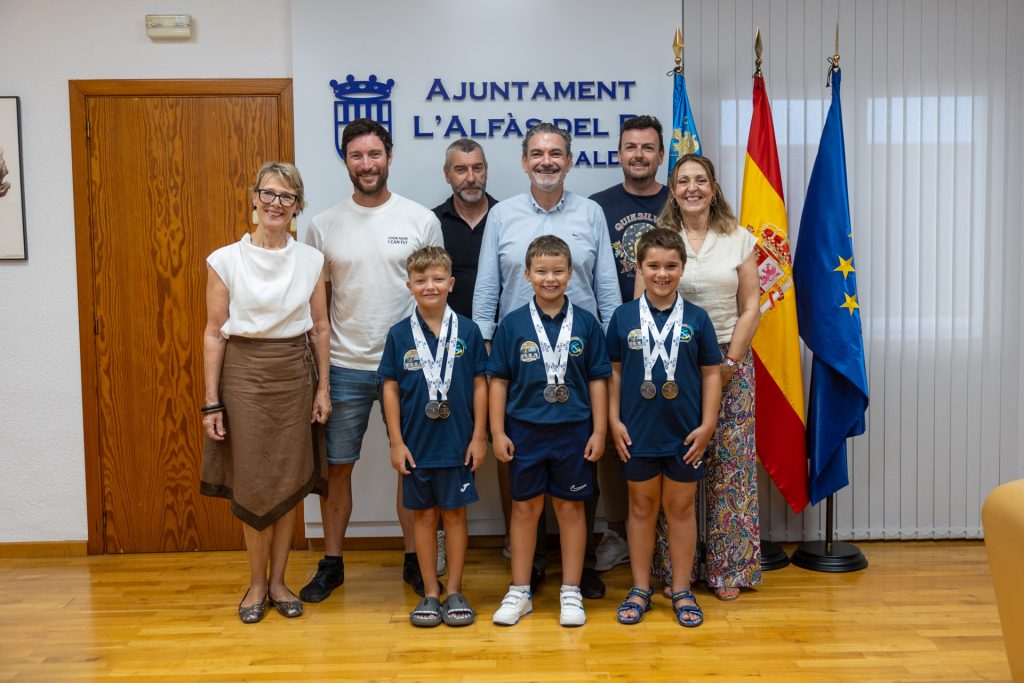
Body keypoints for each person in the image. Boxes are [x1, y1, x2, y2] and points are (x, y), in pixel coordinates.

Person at [473, 122, 619, 599]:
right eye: (537, 153)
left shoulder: (591, 212)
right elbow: (488, 287)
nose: (546, 161)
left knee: (582, 461)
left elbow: (606, 288)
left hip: (579, 358)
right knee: (522, 466)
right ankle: (529, 565)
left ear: (569, 160)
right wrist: (485, 345)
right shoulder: (503, 215)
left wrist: (616, 346)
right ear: (523, 162)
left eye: (556, 153)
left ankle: (583, 568)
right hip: (521, 359)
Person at [303, 118, 444, 602]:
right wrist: (321, 380)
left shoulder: (420, 220)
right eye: (357, 156)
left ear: (389, 156)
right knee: (336, 467)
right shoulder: (322, 226)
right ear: (345, 160)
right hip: (344, 366)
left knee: (412, 466)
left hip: (409, 367)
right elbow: (316, 308)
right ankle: (333, 561)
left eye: (375, 154)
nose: (367, 164)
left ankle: (414, 558)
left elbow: (433, 294)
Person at [200, 161, 331, 624]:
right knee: (254, 481)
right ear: (254, 197)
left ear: (298, 206)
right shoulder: (224, 259)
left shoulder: (311, 260)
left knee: (288, 482)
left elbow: (319, 328)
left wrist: (324, 390)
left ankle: (279, 582)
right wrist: (211, 401)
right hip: (244, 378)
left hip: (295, 377)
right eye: (269, 194)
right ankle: (256, 584)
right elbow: (215, 333)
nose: (277, 204)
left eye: (287, 196)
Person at [487, 235, 610, 627]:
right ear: (526, 275)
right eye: (541, 271)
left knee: (571, 509)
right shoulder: (513, 324)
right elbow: (498, 381)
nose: (550, 278)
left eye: (558, 271)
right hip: (524, 431)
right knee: (525, 509)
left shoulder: (587, 324)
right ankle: (520, 591)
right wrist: (497, 431)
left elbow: (598, 381)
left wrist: (600, 430)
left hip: (574, 432)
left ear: (571, 273)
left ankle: (571, 591)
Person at [654, 153, 761, 601]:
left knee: (729, 465)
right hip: (671, 363)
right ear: (673, 189)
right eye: (683, 181)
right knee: (675, 461)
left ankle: (729, 568)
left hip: (727, 358)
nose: (692, 188)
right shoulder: (660, 238)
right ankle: (676, 567)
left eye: (701, 180)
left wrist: (730, 362)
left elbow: (752, 305)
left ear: (714, 187)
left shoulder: (739, 239)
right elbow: (647, 302)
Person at [607, 228, 722, 627]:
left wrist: (707, 425)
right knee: (640, 508)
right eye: (653, 265)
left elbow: (711, 374)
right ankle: (640, 587)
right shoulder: (622, 318)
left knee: (680, 507)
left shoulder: (697, 318)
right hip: (637, 433)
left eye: (670, 266)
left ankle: (682, 587)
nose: (661, 273)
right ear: (639, 268)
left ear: (682, 268)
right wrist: (613, 420)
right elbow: (615, 376)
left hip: (685, 435)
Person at [379, 246, 488, 627]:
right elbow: (389, 387)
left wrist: (479, 436)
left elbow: (479, 385)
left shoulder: (469, 332)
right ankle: (430, 591)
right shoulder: (398, 334)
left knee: (456, 516)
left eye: (438, 279)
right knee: (424, 518)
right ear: (409, 285)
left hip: (458, 443)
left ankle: (455, 589)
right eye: (421, 280)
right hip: (417, 444)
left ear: (451, 284)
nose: (430, 286)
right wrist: (396, 441)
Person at [588, 115, 671, 573]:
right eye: (630, 147)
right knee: (616, 432)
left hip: (670, 337)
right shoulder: (597, 206)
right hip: (618, 337)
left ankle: (664, 540)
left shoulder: (677, 200)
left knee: (665, 434)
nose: (638, 154)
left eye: (647, 147)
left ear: (661, 155)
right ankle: (619, 532)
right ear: (618, 153)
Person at [431, 138, 497, 577]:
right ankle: (437, 543)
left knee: (506, 440)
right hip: (444, 351)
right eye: (460, 169)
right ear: (447, 174)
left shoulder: (507, 215)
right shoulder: (432, 222)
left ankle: (518, 541)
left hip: (496, 346)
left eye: (476, 168)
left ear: (486, 170)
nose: (469, 177)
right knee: (443, 445)